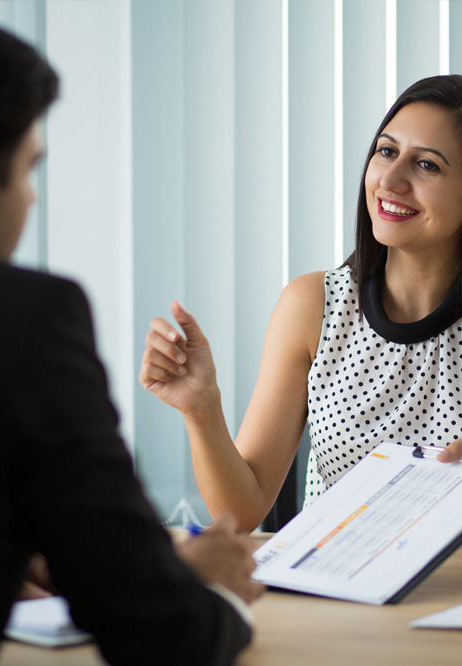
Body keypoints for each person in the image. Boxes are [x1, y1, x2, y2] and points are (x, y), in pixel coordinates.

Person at [0, 15, 263, 666]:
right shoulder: (22, 320)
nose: (32, 201)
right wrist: (203, 585)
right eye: (28, 173)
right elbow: (157, 628)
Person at [140, 74, 462, 533]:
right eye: (386, 151)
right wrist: (201, 408)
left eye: (426, 165)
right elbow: (241, 512)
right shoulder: (314, 305)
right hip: (332, 572)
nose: (390, 180)